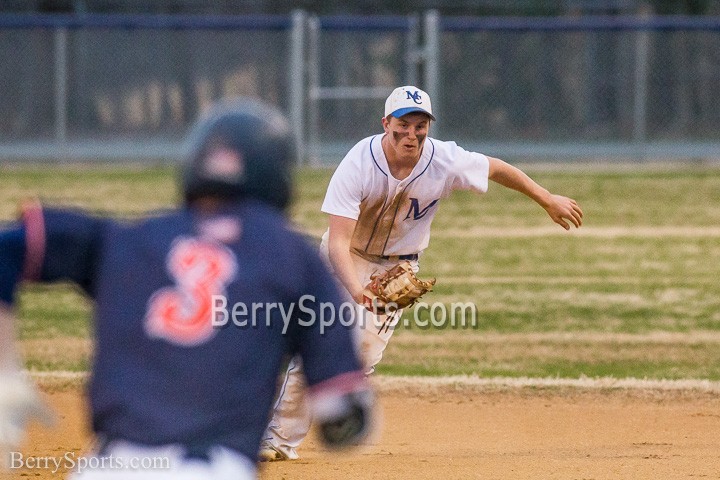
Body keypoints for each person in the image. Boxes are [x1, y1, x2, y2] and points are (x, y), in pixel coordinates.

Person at [0, 99, 373, 479]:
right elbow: (341, 419)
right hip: (214, 468)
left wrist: (4, 372)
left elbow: (8, 249)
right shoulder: (293, 256)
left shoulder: (129, 240)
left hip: (107, 467)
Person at [260, 85, 584, 461]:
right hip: (346, 258)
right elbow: (338, 243)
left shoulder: (443, 160)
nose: (411, 134)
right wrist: (356, 289)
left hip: (398, 265)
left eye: (420, 125)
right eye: (403, 124)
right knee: (319, 343)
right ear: (386, 123)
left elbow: (495, 168)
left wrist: (547, 198)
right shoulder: (359, 162)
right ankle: (278, 440)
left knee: (361, 354)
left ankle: (323, 410)